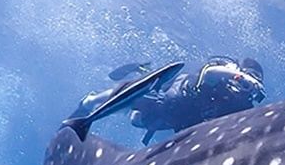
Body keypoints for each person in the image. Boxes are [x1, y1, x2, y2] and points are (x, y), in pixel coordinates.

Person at [72, 56, 267, 144]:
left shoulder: (242, 106)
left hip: (181, 122)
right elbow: (209, 74)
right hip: (172, 101)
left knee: (137, 121)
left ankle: (145, 73)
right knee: (134, 95)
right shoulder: (220, 76)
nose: (246, 86)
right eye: (247, 77)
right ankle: (91, 100)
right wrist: (239, 77)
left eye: (255, 82)